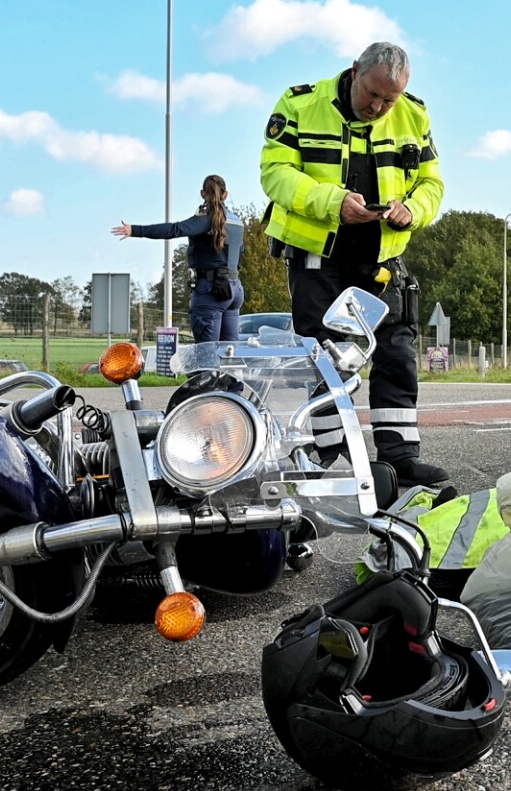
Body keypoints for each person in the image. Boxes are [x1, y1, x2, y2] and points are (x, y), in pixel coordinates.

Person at [260, 41, 446, 484]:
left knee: (397, 349)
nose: (379, 107)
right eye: (373, 95)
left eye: (390, 100)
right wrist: (334, 202)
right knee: (324, 356)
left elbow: (431, 183)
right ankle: (328, 453)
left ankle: (398, 457)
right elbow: (275, 173)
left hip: (381, 254)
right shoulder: (300, 104)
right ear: (355, 70)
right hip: (318, 252)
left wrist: (413, 210)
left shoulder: (415, 115)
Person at [112, 174, 242, 341]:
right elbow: (240, 251)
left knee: (206, 356)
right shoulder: (237, 221)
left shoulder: (204, 220)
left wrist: (135, 230)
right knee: (229, 354)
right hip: (235, 289)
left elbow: (175, 229)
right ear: (226, 195)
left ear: (203, 194)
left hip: (211, 291)